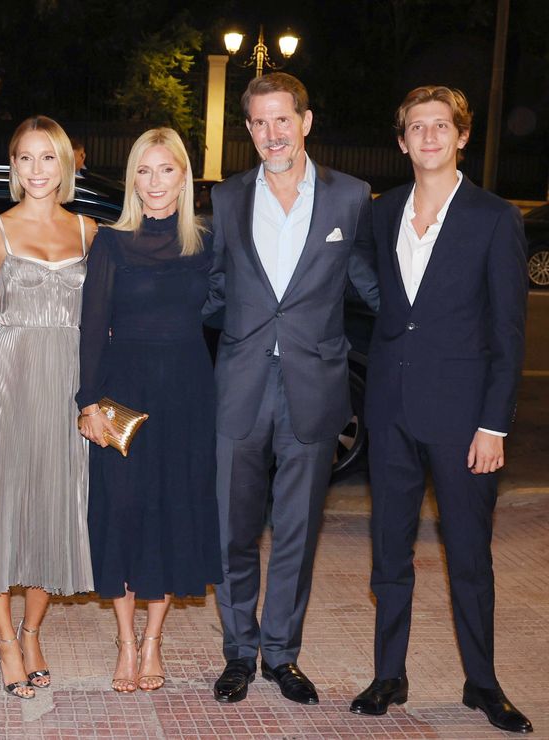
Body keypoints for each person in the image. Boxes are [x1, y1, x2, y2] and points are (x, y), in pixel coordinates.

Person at [349, 86, 531, 734]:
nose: (428, 136)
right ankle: (388, 674)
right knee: (388, 553)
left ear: (460, 136)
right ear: (401, 142)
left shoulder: (493, 217)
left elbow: (509, 333)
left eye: (441, 126)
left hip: (463, 420)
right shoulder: (384, 211)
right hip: (390, 411)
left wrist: (494, 423)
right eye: (416, 127)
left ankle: (482, 683)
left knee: (469, 559)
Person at [207, 72, 380, 706]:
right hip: (240, 387)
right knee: (231, 530)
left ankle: (281, 655)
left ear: (305, 122)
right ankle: (237, 653)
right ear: (248, 128)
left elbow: (372, 286)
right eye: (259, 122)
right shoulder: (227, 198)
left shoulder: (351, 197)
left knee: (297, 532)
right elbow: (213, 290)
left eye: (283, 120)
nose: (272, 134)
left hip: (314, 388)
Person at [0, 116, 96, 699]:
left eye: (48, 158)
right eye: (25, 158)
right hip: (7, 376)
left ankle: (34, 630)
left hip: (67, 383)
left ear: (66, 165)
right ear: (13, 167)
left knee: (56, 508)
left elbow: (102, 326)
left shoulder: (89, 232)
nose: (37, 170)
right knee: (0, 503)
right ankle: (7, 640)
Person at [77, 127, 221, 693]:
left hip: (187, 392)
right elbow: (92, 327)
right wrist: (87, 402)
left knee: (171, 508)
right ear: (132, 178)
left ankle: (155, 640)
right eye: (144, 170)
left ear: (184, 177)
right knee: (124, 508)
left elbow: (226, 312)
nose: (155, 181)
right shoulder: (111, 243)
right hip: (123, 393)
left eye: (166, 170)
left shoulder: (205, 242)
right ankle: (125, 640)